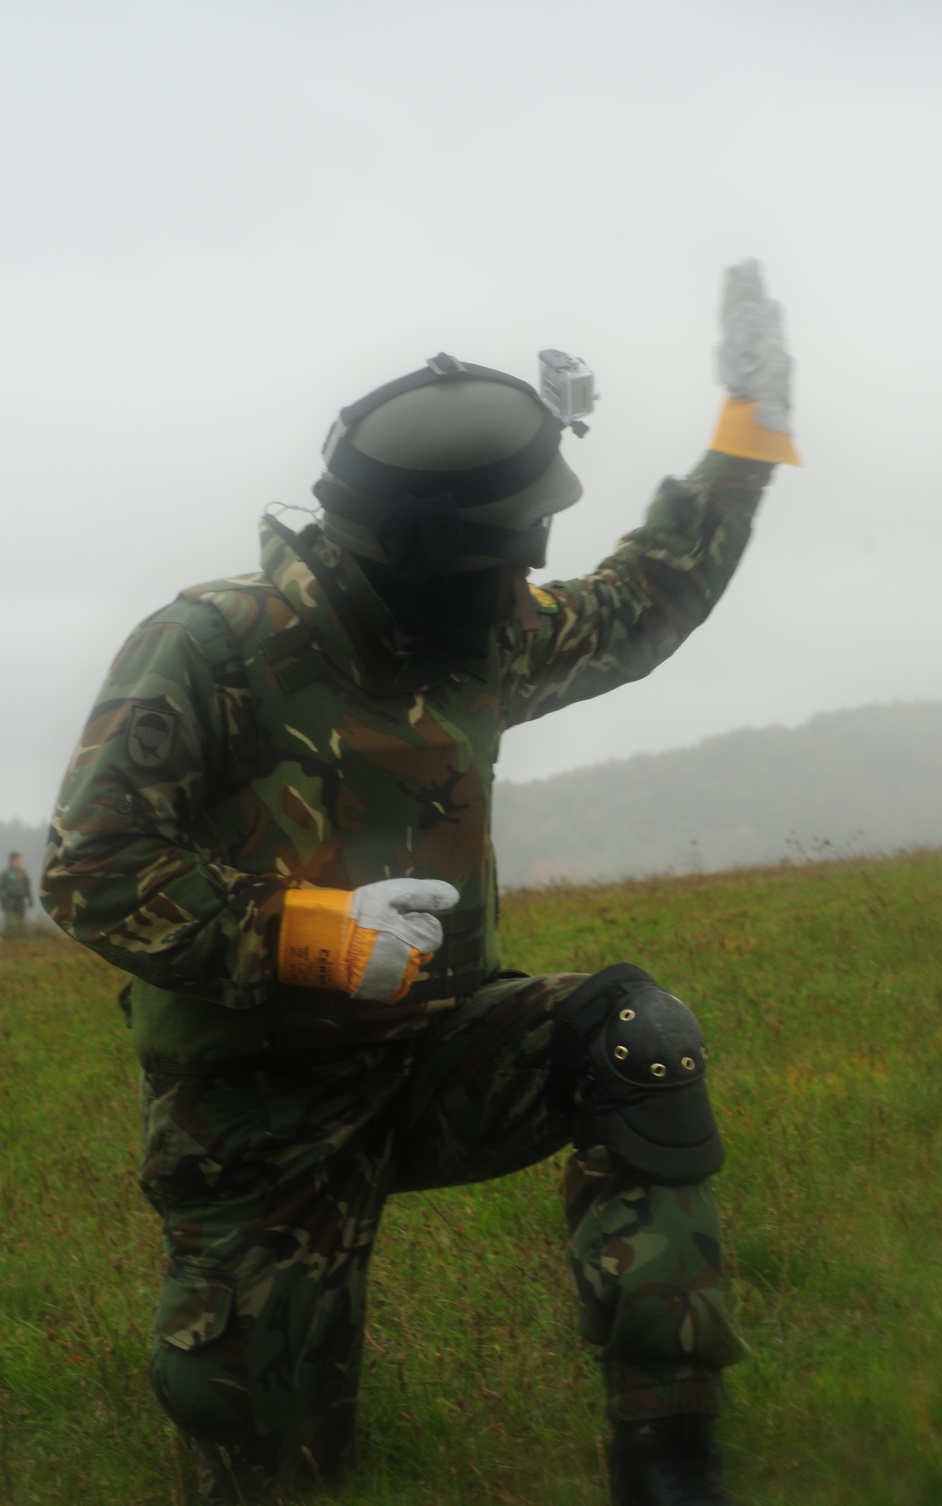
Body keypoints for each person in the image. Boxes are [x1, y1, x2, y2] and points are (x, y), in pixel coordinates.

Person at [42, 262, 800, 1506]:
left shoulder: (473, 631)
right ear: (426, 544)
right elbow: (92, 866)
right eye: (510, 545)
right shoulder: (212, 645)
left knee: (636, 1039)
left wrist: (749, 425)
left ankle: (669, 1457)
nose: (529, 571)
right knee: (268, 1466)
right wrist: (308, 935)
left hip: (438, 1055)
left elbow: (646, 596)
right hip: (257, 1115)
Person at [0, 851, 33, 939]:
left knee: (21, 922)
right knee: (9, 923)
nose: (19, 862)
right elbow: (1, 888)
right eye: (17, 860)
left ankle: (21, 942)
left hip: (20, 901)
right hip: (9, 901)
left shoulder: (22, 873)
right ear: (12, 861)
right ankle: (7, 941)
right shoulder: (5, 873)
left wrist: (30, 899)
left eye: (19, 860)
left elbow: (27, 886)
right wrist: (3, 901)